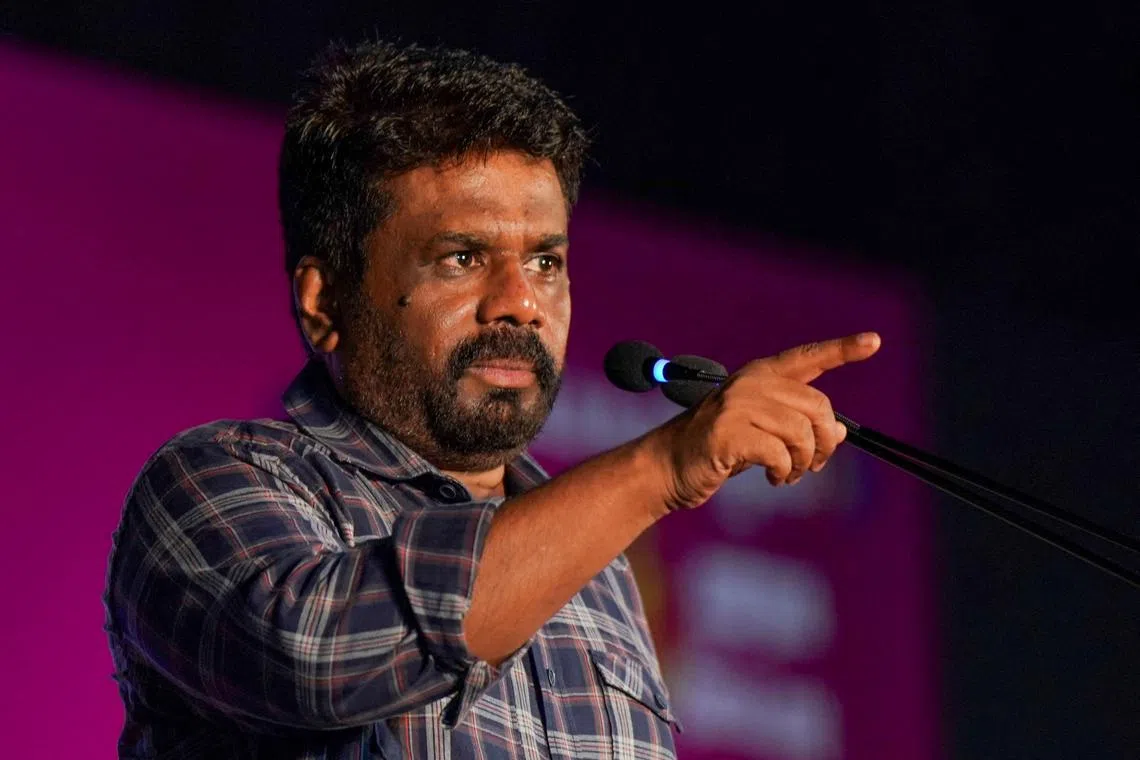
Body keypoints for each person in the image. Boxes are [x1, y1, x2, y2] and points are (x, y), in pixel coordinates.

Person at [103, 38, 881, 760]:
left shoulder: (598, 570)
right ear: (324, 300)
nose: (520, 303)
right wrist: (663, 467)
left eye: (545, 261)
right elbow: (317, 659)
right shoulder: (218, 482)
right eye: (463, 257)